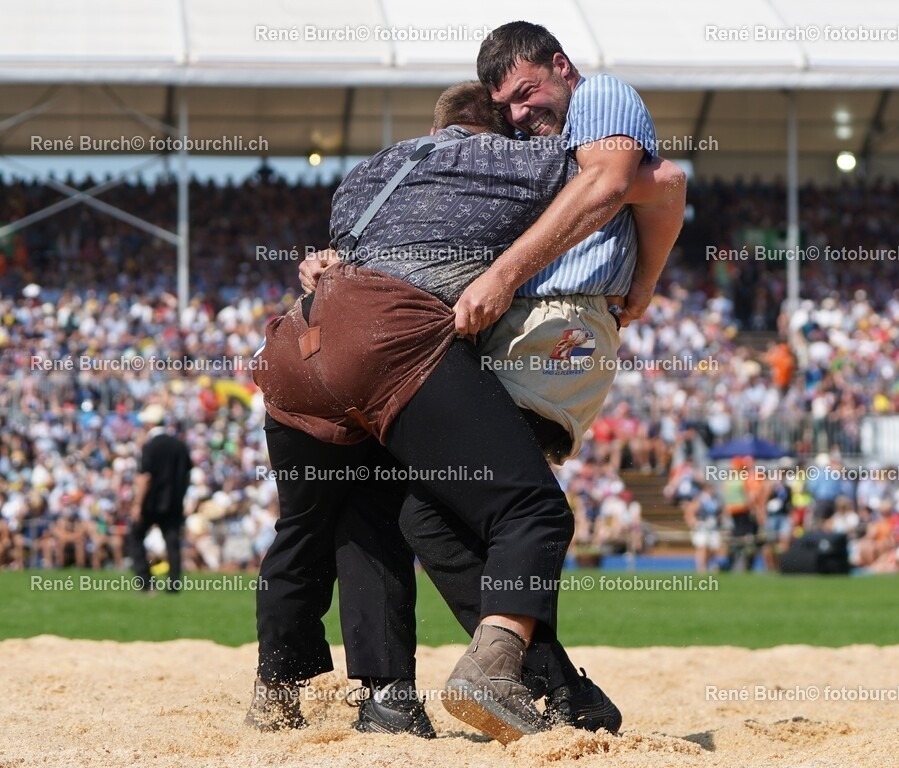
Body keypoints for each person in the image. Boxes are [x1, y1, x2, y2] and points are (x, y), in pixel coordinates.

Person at [249, 81, 680, 743]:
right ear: (499, 128)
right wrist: (639, 280)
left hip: (293, 350)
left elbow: (338, 263)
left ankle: (290, 693)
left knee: (327, 526)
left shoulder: (369, 172)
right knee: (525, 508)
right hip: (390, 343)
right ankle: (532, 682)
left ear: (435, 126)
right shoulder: (518, 161)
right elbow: (641, 179)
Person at [126, 404, 192, 592]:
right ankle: (174, 584)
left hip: (151, 502)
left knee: (135, 536)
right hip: (173, 503)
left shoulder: (150, 445)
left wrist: (138, 504)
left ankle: (145, 581)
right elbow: (187, 474)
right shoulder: (179, 445)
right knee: (172, 543)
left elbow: (145, 477)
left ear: (149, 423)